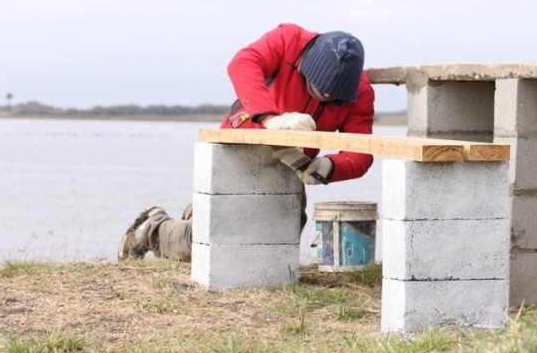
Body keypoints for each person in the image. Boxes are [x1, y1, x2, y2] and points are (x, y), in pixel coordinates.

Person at [118, 23, 375, 262]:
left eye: (334, 95)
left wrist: (329, 167)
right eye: (319, 87)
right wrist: (270, 118)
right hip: (239, 146)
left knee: (279, 242)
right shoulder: (288, 40)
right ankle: (151, 228)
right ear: (308, 64)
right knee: (211, 243)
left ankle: (200, 213)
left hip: (290, 165)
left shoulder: (360, 92)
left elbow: (361, 153)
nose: (327, 95)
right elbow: (242, 63)